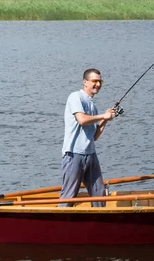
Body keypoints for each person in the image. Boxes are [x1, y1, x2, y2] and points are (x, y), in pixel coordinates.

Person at [59, 68, 115, 207]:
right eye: (94, 81)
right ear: (85, 82)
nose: (98, 84)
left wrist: (105, 119)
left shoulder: (93, 107)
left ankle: (99, 225)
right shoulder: (75, 97)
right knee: (69, 196)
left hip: (91, 155)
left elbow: (94, 136)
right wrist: (103, 116)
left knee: (99, 196)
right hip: (74, 155)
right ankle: (60, 224)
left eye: (100, 81)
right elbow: (82, 120)